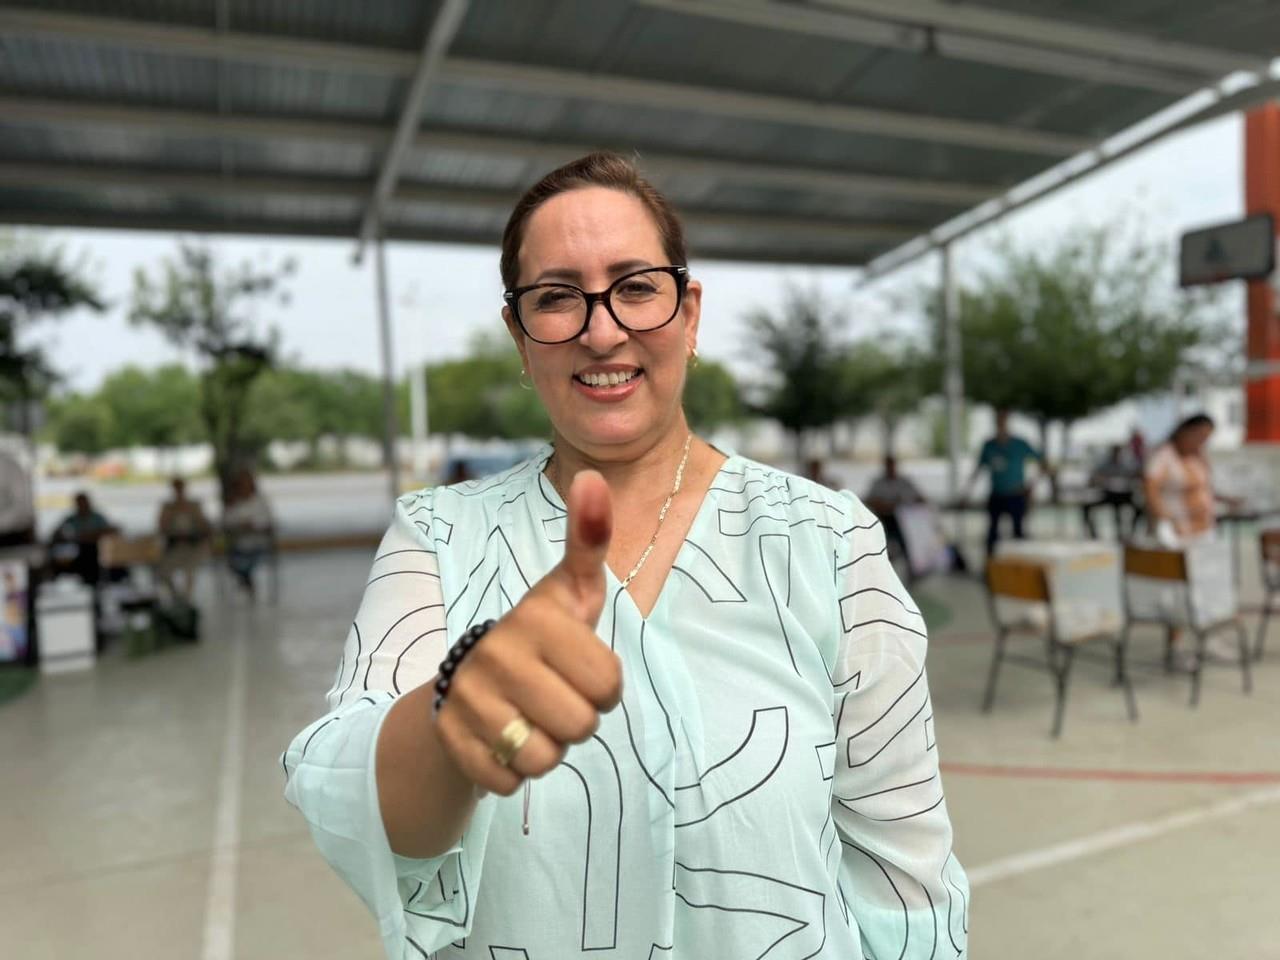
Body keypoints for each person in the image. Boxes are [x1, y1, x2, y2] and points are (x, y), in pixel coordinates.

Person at [282, 153, 967, 959]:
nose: (601, 329)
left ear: (689, 310)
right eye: (556, 298)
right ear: (518, 332)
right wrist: (451, 725)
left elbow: (904, 878)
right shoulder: (438, 536)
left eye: (636, 287)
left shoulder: (829, 541)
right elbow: (355, 789)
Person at [964, 409, 1046, 557]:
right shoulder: (989, 445)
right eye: (998, 420)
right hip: (997, 494)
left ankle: (1020, 563)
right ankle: (991, 566)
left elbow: (1042, 463)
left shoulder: (1020, 444)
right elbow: (978, 470)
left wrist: (1032, 486)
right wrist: (967, 493)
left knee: (1018, 532)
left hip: (1017, 494)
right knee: (992, 533)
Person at [1143, 413, 1223, 543]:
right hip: (1177, 531)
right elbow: (1150, 489)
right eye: (1199, 436)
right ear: (1185, 431)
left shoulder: (1199, 456)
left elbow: (1205, 488)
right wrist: (1164, 521)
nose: (1201, 442)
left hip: (1205, 528)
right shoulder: (1163, 456)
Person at [221, 469, 273, 598]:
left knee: (248, 560)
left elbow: (268, 521)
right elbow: (225, 522)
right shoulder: (232, 503)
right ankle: (246, 579)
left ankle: (246, 579)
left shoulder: (260, 501)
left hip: (258, 542)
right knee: (235, 560)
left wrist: (254, 525)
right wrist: (239, 526)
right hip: (238, 543)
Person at [157, 477, 211, 601]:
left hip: (194, 546)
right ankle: (177, 597)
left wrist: (193, 514)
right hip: (176, 546)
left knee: (189, 571)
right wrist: (170, 514)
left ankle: (186, 599)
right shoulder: (167, 507)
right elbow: (161, 528)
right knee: (164, 571)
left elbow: (204, 526)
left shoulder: (194, 505)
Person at [48, 491, 117, 584]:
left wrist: (91, 535)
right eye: (79, 503)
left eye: (84, 502)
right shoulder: (72, 518)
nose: (82, 505)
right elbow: (56, 532)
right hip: (79, 550)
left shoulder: (97, 517)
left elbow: (111, 530)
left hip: (96, 550)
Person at [1080, 444, 1141, 539]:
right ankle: (1093, 534)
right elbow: (1093, 478)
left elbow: (1136, 476)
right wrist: (1102, 481)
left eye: (1118, 453)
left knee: (1139, 509)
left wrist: (1129, 481)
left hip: (1124, 495)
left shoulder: (1127, 465)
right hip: (1108, 495)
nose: (1117, 455)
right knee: (1087, 507)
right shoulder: (1105, 465)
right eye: (1115, 453)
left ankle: (1131, 533)